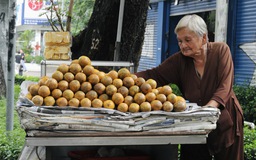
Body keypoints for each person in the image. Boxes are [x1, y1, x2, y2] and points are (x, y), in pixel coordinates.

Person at [136, 14, 244, 160]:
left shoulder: (220, 51)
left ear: (204, 38)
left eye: (188, 40)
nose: (183, 45)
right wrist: (119, 78)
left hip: (226, 120)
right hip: (195, 123)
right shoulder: (179, 61)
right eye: (180, 41)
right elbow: (154, 74)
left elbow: (225, 86)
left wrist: (209, 109)